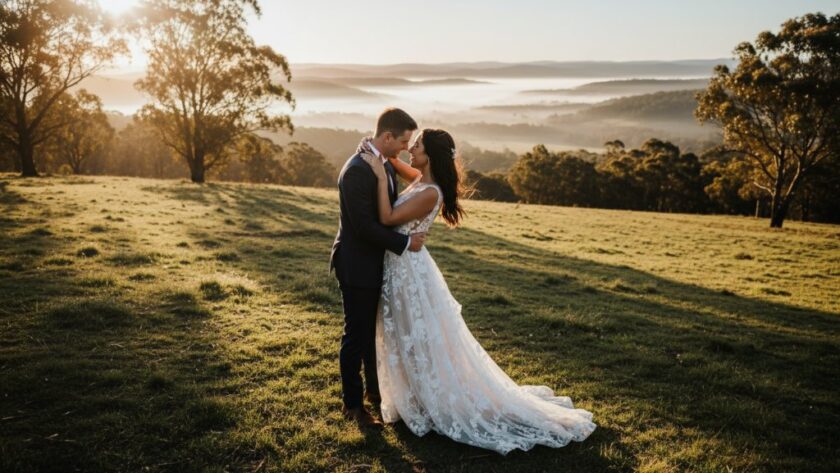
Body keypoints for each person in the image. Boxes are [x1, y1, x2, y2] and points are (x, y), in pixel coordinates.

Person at [359, 128, 597, 454]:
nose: (409, 150)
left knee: (419, 336)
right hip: (402, 266)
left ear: (429, 155)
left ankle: (432, 398)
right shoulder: (421, 177)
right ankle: (413, 394)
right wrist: (384, 155)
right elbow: (405, 168)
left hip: (409, 272)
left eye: (416, 147)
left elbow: (387, 217)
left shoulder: (430, 192)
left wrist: (375, 173)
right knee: (407, 335)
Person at [330, 108, 427, 428]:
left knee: (373, 334)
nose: (404, 148)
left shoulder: (381, 162)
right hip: (356, 264)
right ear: (386, 137)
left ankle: (375, 392)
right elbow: (363, 227)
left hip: (373, 264)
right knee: (356, 335)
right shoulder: (359, 169)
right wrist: (404, 244)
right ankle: (353, 405)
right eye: (402, 141)